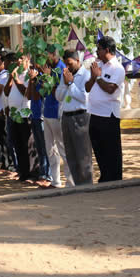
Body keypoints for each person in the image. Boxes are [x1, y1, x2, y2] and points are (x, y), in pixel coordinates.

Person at [86, 36, 126, 182]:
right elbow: (87, 88)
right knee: (98, 147)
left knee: (111, 150)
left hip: (109, 115)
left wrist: (97, 77)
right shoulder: (98, 66)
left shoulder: (118, 68)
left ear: (107, 50)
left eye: (99, 49)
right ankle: (105, 176)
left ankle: (114, 179)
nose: (96, 52)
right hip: (94, 113)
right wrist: (93, 77)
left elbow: (110, 89)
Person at [55, 50, 93, 185]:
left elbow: (84, 99)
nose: (67, 67)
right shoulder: (65, 76)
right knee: (70, 154)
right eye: (65, 64)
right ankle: (77, 185)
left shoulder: (86, 75)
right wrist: (65, 83)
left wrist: (71, 84)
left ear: (78, 61)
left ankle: (87, 186)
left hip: (80, 117)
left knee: (83, 154)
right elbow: (58, 96)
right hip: (66, 117)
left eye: (70, 63)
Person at [42, 46, 72, 188]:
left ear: (53, 54)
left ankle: (70, 181)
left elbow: (60, 93)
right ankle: (55, 180)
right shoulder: (48, 68)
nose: (45, 58)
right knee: (50, 149)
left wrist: (48, 77)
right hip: (47, 111)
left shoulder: (61, 68)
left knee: (62, 148)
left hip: (56, 112)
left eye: (46, 55)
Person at [5, 53, 32, 182]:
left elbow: (26, 93)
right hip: (13, 114)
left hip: (24, 114)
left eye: (22, 59)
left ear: (28, 60)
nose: (19, 61)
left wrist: (15, 78)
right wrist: (11, 78)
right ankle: (22, 171)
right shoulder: (15, 73)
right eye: (18, 59)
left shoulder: (29, 74)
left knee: (25, 144)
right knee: (16, 144)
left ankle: (29, 172)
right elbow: (6, 91)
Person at [27, 64, 53, 187]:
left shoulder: (44, 78)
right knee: (39, 148)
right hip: (34, 115)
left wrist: (34, 80)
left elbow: (38, 95)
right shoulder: (34, 79)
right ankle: (42, 173)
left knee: (45, 147)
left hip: (42, 116)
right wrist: (31, 81)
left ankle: (47, 175)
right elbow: (29, 96)